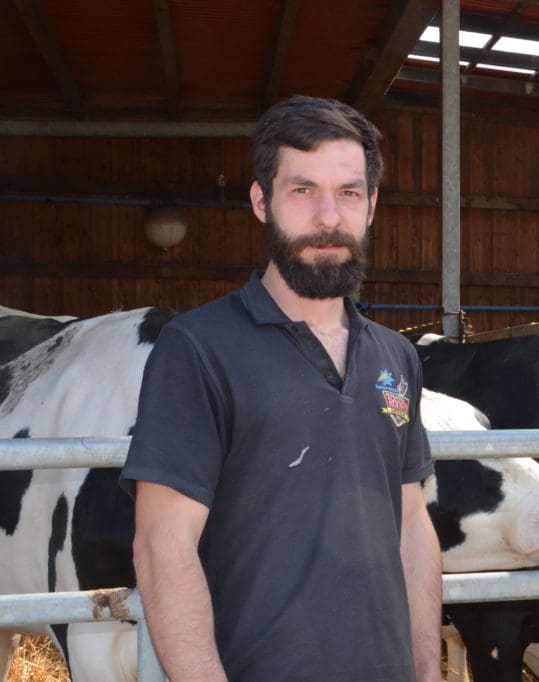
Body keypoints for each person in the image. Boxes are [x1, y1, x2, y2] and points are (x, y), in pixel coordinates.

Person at [121, 96, 441, 681]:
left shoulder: (396, 357)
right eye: (302, 190)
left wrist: (426, 671)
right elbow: (162, 544)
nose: (328, 216)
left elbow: (412, 524)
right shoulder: (197, 348)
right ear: (261, 201)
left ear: (371, 206)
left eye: (347, 192)